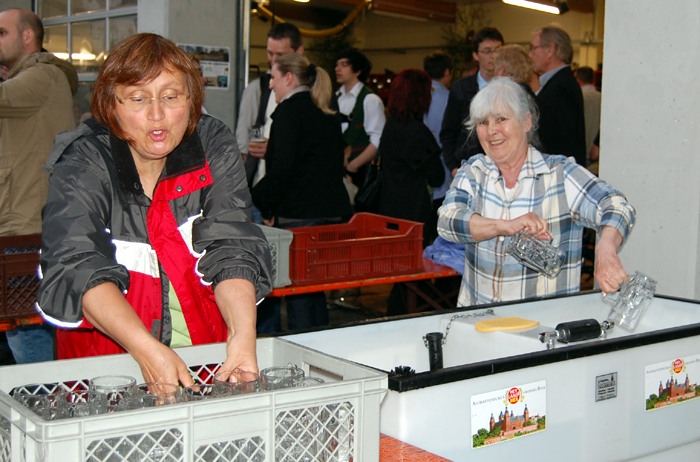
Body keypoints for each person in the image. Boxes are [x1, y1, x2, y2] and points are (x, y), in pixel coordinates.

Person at [36, 34, 273, 386]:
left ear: (191, 99)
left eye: (171, 96)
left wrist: (241, 336)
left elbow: (232, 245)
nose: (157, 115)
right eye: (138, 98)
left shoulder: (211, 145)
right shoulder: (84, 160)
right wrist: (146, 349)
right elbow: (75, 264)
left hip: (205, 358)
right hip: (108, 371)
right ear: (111, 103)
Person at [438, 77, 636, 307]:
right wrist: (505, 225)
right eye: (483, 122)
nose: (492, 131)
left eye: (501, 119)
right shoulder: (473, 172)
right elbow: (447, 222)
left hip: (544, 324)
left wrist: (606, 249)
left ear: (526, 122)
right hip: (480, 319)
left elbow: (617, 206)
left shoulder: (560, 174)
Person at [0, 8, 78, 364]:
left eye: (2, 33)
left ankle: (42, 394)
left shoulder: (43, 75)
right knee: (22, 326)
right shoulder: (31, 77)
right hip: (23, 219)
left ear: (27, 36)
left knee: (27, 328)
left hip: (27, 224)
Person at [253, 53, 352, 330]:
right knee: (315, 291)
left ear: (288, 77)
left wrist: (260, 200)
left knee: (299, 294)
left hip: (300, 214)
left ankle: (303, 351)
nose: (270, 85)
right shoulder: (324, 110)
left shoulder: (289, 112)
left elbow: (282, 170)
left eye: (273, 77)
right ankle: (321, 347)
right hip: (331, 213)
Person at [235, 23, 304, 215]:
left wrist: (274, 150)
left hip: (297, 196)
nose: (273, 60)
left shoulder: (313, 92)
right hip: (260, 187)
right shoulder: (258, 88)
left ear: (299, 51)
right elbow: (243, 142)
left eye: (280, 55)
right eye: (270, 53)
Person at [441, 27, 504, 178]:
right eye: (487, 51)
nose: (493, 56)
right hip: (468, 167)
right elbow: (448, 131)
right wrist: (453, 167)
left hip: (504, 167)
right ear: (476, 55)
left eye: (498, 50)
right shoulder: (460, 89)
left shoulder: (511, 87)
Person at [529, 24, 587, 166]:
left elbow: (557, 142)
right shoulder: (561, 83)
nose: (530, 55)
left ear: (550, 50)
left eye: (533, 48)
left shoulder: (560, 87)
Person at [333, 48, 386, 187]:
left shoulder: (370, 100)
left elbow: (378, 140)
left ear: (357, 71)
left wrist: (353, 166)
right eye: (337, 64)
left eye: (344, 65)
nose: (337, 69)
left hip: (360, 174)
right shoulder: (335, 98)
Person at [422, 51, 453, 244]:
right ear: (448, 72)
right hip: (445, 174)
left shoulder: (418, 97)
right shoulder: (451, 99)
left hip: (420, 177)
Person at [575, 66, 602, 163]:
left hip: (581, 151)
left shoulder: (577, 99)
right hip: (598, 151)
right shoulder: (602, 98)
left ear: (578, 80)